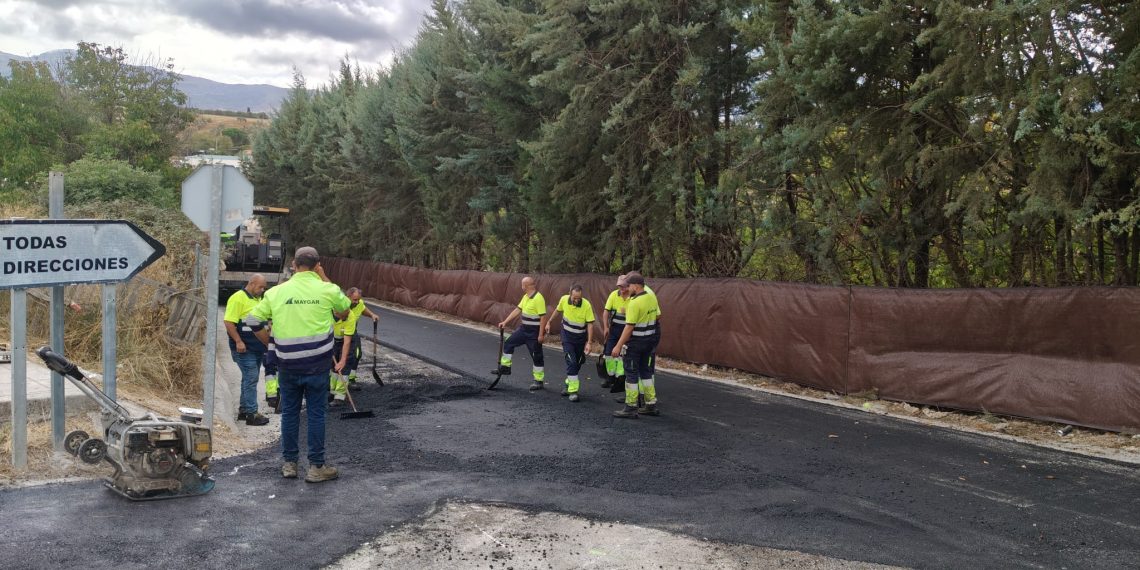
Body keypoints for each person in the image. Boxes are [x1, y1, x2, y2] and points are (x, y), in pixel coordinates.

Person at [248, 247, 350, 483]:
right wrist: (323, 277)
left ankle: (289, 464)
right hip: (317, 366)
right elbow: (343, 311)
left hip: (288, 365)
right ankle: (316, 467)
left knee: (290, 414)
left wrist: (269, 343)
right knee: (316, 414)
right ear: (317, 265)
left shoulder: (276, 292)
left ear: (293, 265)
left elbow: (251, 319)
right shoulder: (328, 289)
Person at [610, 273, 661, 418]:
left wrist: (618, 345)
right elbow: (657, 316)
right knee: (646, 372)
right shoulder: (651, 298)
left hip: (635, 344)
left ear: (636, 286)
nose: (627, 288)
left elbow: (629, 327)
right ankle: (650, 404)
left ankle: (631, 407)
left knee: (631, 374)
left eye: (629, 286)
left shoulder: (634, 302)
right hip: (649, 342)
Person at [223, 274, 270, 426]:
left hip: (257, 347)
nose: (262, 290)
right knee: (251, 378)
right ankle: (252, 414)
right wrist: (238, 341)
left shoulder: (259, 300)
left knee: (248, 379)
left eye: (264, 288)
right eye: (260, 287)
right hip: (244, 348)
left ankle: (244, 411)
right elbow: (229, 322)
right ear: (252, 283)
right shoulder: (238, 298)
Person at [492, 276, 548, 390]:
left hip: (534, 332)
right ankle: (506, 367)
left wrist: (541, 335)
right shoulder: (526, 296)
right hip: (523, 330)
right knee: (509, 342)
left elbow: (543, 318)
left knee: (536, 356)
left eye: (522, 284)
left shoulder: (538, 298)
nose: (521, 286)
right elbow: (517, 310)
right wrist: (505, 322)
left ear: (526, 286)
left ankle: (538, 381)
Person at [329, 287, 380, 405]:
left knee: (349, 360)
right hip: (335, 339)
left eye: (358, 299)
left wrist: (343, 360)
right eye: (354, 299)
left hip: (349, 335)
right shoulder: (332, 309)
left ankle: (340, 395)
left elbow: (347, 341)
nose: (357, 302)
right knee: (334, 366)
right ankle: (332, 391)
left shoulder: (351, 316)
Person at [545, 284, 596, 402]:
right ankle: (573, 391)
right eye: (574, 298)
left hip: (580, 338)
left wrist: (589, 343)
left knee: (578, 362)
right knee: (571, 361)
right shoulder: (564, 299)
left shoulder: (586, 305)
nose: (576, 300)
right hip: (567, 336)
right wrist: (549, 322)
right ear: (570, 294)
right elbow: (557, 311)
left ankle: (568, 383)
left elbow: (590, 324)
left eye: (579, 298)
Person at [600, 274, 632, 393]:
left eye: (624, 286)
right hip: (614, 329)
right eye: (619, 286)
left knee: (622, 355)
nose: (621, 288)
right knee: (609, 353)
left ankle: (620, 379)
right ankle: (610, 377)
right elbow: (606, 312)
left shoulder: (633, 297)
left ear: (629, 286)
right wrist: (605, 327)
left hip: (627, 331)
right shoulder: (613, 295)